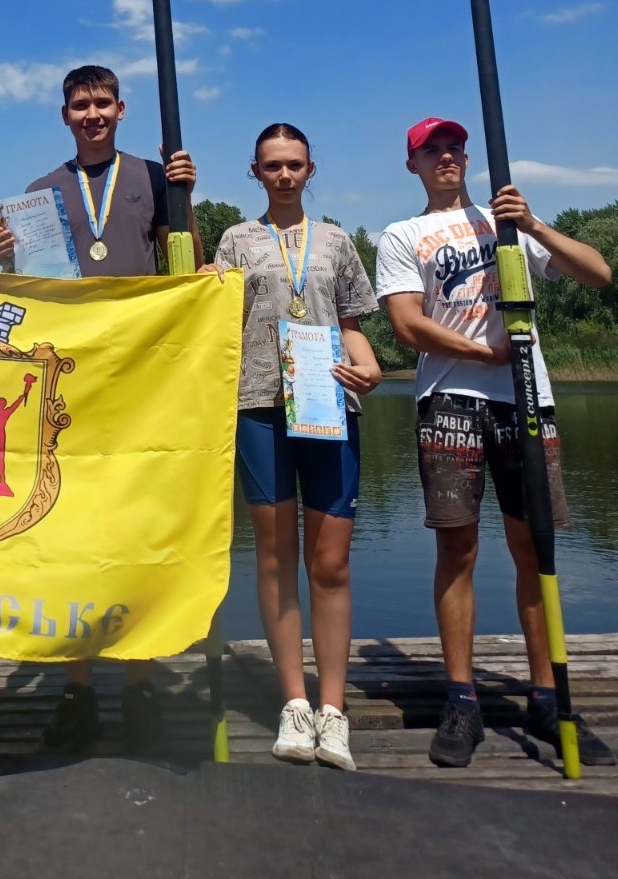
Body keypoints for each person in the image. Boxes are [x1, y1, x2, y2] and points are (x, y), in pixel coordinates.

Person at [375, 116, 616, 770]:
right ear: (413, 165)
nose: (446, 156)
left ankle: (547, 696)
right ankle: (463, 698)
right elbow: (406, 325)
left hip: (525, 399)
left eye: (454, 147)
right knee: (457, 546)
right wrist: (487, 349)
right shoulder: (402, 235)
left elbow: (600, 275)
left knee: (535, 545)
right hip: (449, 401)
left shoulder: (505, 224)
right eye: (432, 150)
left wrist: (533, 225)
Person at [0, 63, 202, 755]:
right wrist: (1, 257)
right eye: (80, 104)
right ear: (65, 114)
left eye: (103, 102)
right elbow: (29, 297)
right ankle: (77, 689)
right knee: (74, 535)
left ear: (122, 108)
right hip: (73, 388)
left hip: (144, 381)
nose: (92, 113)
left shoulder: (160, 178)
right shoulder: (39, 193)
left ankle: (139, 681)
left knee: (139, 531)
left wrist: (190, 203)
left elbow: (186, 271)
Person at [210, 124, 381, 772]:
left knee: (330, 561)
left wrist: (368, 367)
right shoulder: (235, 240)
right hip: (258, 404)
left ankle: (333, 710)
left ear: (312, 170)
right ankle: (294, 701)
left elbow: (357, 330)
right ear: (255, 172)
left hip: (329, 404)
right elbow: (214, 320)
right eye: (272, 166)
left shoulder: (336, 240)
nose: (284, 175)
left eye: (295, 165)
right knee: (277, 557)